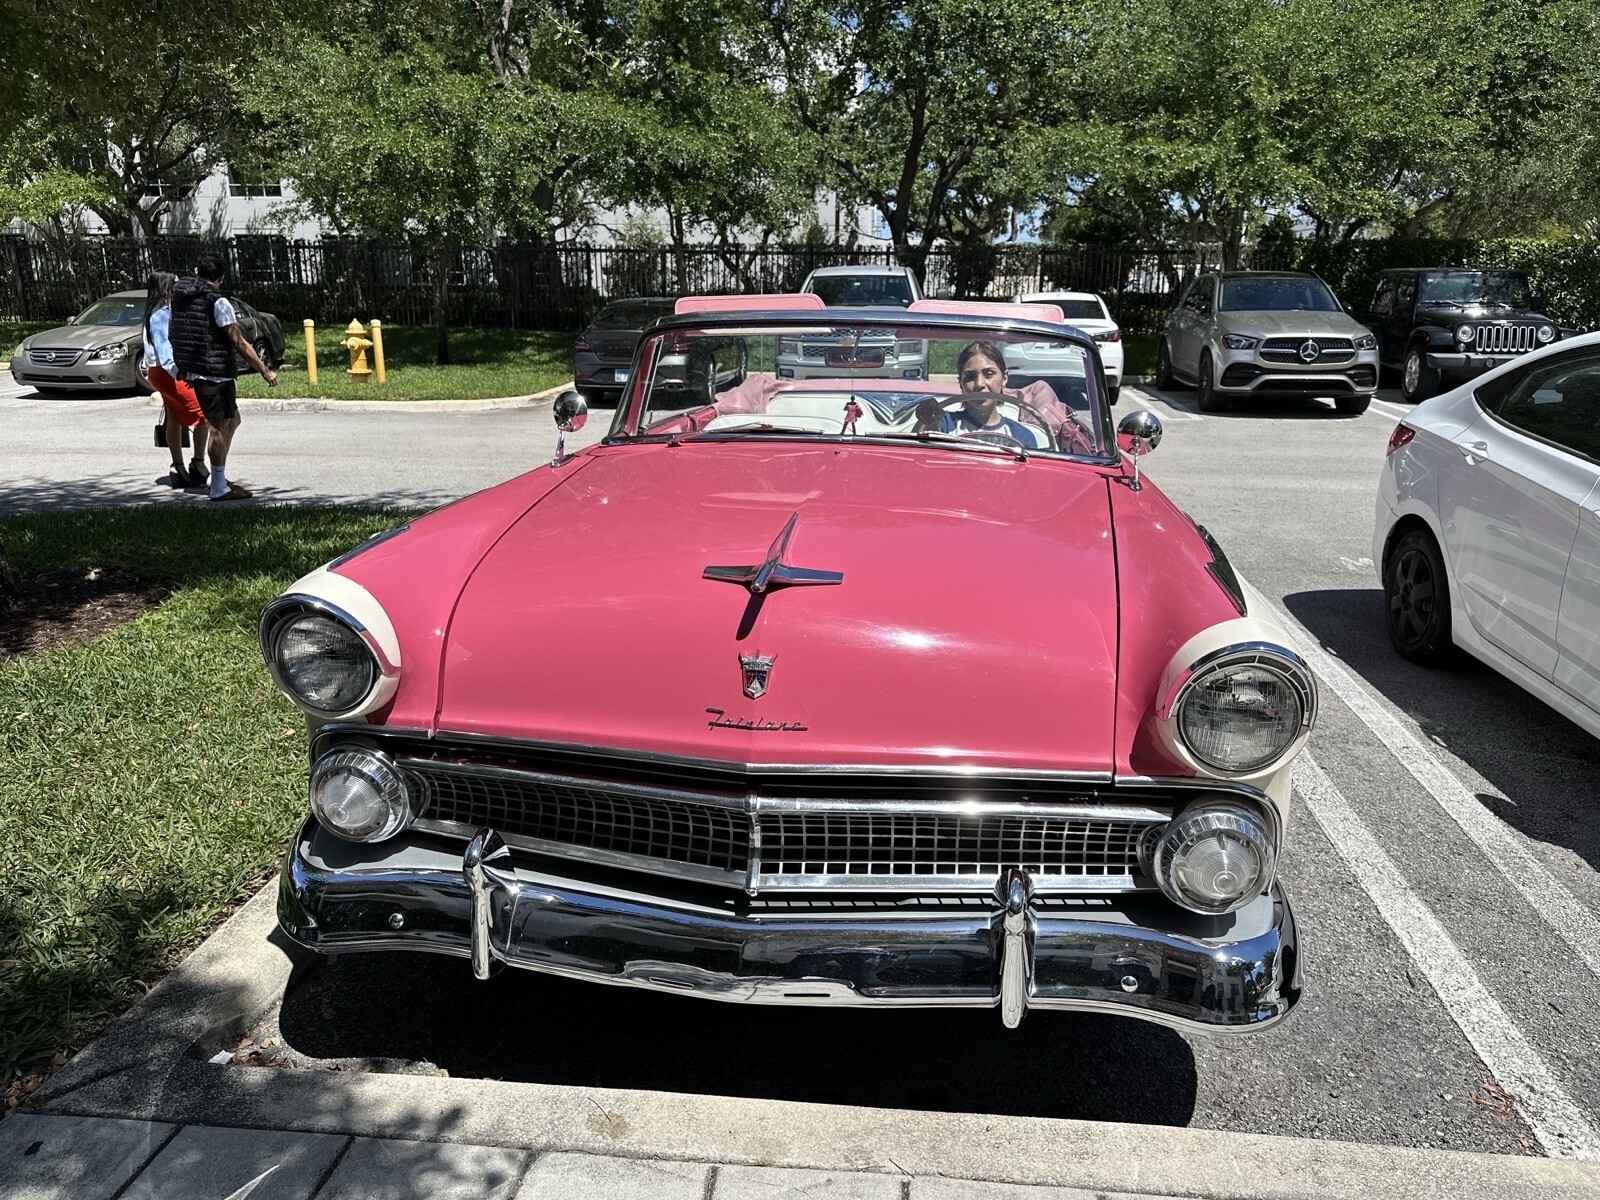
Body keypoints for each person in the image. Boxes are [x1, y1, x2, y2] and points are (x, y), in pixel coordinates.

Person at [168, 254, 278, 501]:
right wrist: (264, 370)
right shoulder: (217, 301)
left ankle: (217, 477)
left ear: (197, 271)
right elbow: (238, 341)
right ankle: (218, 486)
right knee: (217, 428)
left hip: (196, 370)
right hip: (215, 373)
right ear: (221, 278)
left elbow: (174, 331)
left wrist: (184, 364)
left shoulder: (182, 297)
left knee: (233, 419)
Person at [142, 271, 209, 488]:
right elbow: (164, 350)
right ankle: (198, 462)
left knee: (174, 417)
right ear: (166, 289)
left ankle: (178, 467)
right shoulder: (160, 315)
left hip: (159, 372)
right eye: (176, 285)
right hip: (168, 372)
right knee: (203, 414)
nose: (180, 288)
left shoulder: (159, 312)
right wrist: (178, 372)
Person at [915, 341, 1037, 447]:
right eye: (970, 376)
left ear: (1004, 378)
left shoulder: (1021, 436)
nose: (979, 384)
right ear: (960, 383)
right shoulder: (944, 423)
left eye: (988, 374)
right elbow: (921, 450)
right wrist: (929, 422)